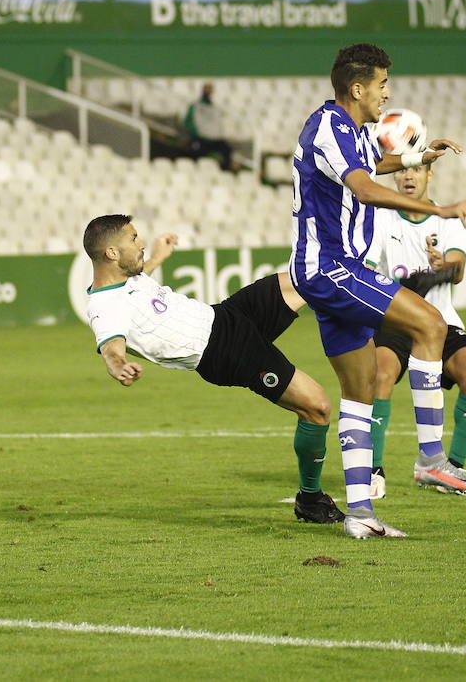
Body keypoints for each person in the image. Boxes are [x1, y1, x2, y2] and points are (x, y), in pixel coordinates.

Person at [289, 44, 466, 538]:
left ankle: (360, 514)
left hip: (336, 268)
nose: (387, 94)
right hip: (330, 268)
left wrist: (420, 155)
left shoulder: (351, 129)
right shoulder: (328, 127)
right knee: (430, 324)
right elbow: (364, 187)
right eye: (381, 85)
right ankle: (430, 458)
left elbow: (376, 162)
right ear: (357, 88)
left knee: (358, 396)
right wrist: (439, 211)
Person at [82, 216, 346, 525]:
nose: (140, 243)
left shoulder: (128, 279)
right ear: (112, 253)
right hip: (224, 352)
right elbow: (111, 347)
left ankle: (383, 306)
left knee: (311, 279)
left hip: (225, 316)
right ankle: (310, 499)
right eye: (134, 239)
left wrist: (157, 258)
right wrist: (119, 366)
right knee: (318, 406)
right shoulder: (103, 307)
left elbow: (134, 288)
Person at [365, 163, 466, 499]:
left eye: (417, 170)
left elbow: (458, 268)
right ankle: (374, 470)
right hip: (397, 320)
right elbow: (370, 268)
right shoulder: (381, 219)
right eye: (402, 171)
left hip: (441, 320)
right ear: (394, 176)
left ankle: (452, 467)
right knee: (381, 375)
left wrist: (441, 266)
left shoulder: (448, 218)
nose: (408, 176)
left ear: (429, 175)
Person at [183, 83, 232, 169]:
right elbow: (187, 122)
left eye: (210, 90)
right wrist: (196, 133)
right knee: (194, 153)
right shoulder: (195, 106)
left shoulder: (215, 107)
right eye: (206, 90)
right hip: (201, 139)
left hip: (215, 139)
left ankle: (225, 171)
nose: (208, 92)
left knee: (227, 150)